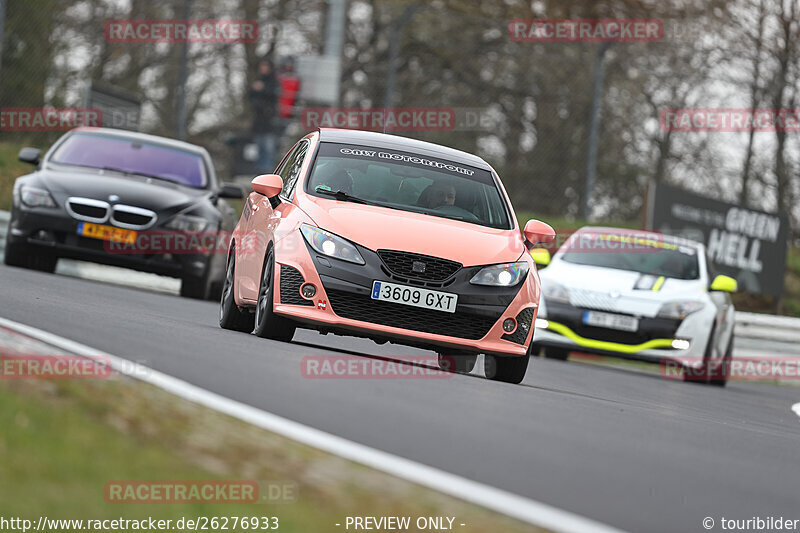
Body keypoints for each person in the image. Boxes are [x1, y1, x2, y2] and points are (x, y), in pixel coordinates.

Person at [249, 58, 279, 173]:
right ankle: (260, 171)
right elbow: (251, 98)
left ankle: (268, 171)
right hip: (259, 120)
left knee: (268, 147)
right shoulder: (258, 80)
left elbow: (274, 96)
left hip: (270, 120)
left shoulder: (273, 82)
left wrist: (262, 89)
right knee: (260, 147)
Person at [277, 57, 301, 138]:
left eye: (291, 65)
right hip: (278, 111)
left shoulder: (297, 79)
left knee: (285, 135)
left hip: (289, 112)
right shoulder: (279, 77)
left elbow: (297, 95)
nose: (289, 67)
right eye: (287, 64)